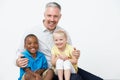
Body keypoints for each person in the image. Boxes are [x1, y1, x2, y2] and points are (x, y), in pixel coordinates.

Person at [16, 2, 103, 80]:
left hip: (65, 66)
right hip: (49, 71)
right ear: (44, 15)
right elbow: (19, 53)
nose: (52, 19)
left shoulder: (63, 33)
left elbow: (71, 53)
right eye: (49, 15)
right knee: (76, 78)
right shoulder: (32, 31)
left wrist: (75, 55)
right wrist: (17, 62)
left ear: (60, 17)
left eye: (55, 16)